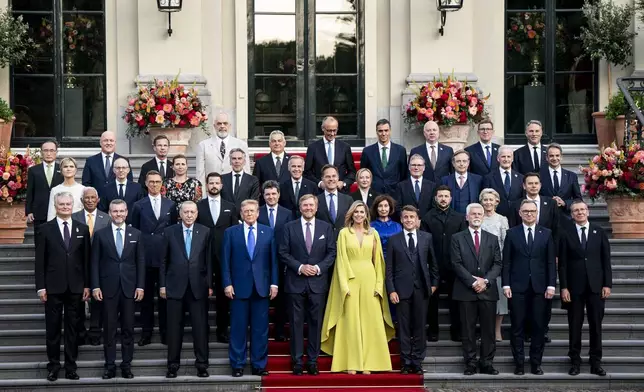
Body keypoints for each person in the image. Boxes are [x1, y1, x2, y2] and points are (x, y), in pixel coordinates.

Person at [321, 201, 395, 374]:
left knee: (370, 321)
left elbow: (378, 262)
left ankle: (369, 363)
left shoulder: (373, 233)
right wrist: (344, 284)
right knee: (351, 322)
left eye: (362, 212)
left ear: (366, 214)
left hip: (370, 278)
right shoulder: (344, 233)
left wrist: (378, 284)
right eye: (356, 212)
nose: (359, 215)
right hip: (350, 279)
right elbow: (341, 260)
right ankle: (352, 362)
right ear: (351, 214)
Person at [35, 192, 91, 382]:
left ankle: (70, 367)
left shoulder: (82, 229)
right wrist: (41, 287)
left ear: (73, 205)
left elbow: (86, 261)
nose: (65, 207)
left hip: (75, 287)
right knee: (52, 329)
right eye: (62, 204)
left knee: (73, 329)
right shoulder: (44, 229)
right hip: (52, 288)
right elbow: (39, 261)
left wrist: (87, 285)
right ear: (56, 205)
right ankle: (53, 367)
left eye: (68, 204)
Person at [280, 194, 337, 375]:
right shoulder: (289, 227)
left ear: (317, 207)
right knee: (296, 324)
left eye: (311, 205)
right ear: (300, 207)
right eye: (305, 205)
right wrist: (300, 267)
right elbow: (283, 252)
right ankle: (297, 361)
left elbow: (331, 253)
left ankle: (312, 361)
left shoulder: (326, 228)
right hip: (295, 282)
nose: (308, 208)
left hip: (318, 283)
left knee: (316, 323)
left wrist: (318, 268)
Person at [222, 200, 278, 378]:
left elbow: (273, 261)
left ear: (258, 213)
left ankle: (258, 364)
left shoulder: (268, 232)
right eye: (246, 211)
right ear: (241, 213)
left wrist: (274, 283)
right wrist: (227, 283)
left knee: (260, 330)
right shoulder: (231, 233)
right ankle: (237, 364)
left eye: (252, 211)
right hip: (238, 288)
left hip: (261, 288)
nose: (249, 214)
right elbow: (225, 261)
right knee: (238, 328)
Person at [91, 199, 146, 379]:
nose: (119, 214)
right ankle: (109, 365)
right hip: (108, 288)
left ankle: (126, 365)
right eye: (115, 211)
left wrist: (140, 286)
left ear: (127, 212)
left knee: (128, 328)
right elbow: (94, 263)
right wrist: (96, 286)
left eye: (122, 211)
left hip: (130, 288)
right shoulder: (100, 234)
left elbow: (140, 262)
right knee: (109, 328)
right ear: (109, 212)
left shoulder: (136, 234)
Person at [502, 199, 556, 376]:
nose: (529, 214)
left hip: (540, 288)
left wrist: (551, 285)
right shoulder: (512, 233)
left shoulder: (546, 233)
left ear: (537, 213)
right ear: (520, 213)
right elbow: (507, 261)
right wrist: (506, 284)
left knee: (538, 327)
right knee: (517, 327)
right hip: (517, 286)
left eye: (532, 211)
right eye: (526, 211)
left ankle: (535, 363)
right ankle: (519, 364)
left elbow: (550, 261)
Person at [559, 199, 612, 377]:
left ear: (588, 211)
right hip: (574, 288)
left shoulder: (599, 232)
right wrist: (564, 287)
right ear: (572, 214)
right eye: (576, 211)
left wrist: (607, 284)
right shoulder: (565, 233)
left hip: (596, 286)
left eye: (582, 209)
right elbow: (563, 264)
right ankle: (575, 361)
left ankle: (595, 362)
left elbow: (606, 260)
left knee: (596, 325)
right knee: (575, 325)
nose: (580, 212)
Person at [160, 201, 212, 378]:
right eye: (186, 212)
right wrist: (162, 285)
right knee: (174, 329)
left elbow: (208, 260)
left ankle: (202, 365)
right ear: (180, 214)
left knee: (200, 328)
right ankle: (173, 366)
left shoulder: (205, 231)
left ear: (197, 214)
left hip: (198, 287)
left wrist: (209, 284)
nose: (189, 215)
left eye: (192, 212)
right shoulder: (169, 232)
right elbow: (163, 261)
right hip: (174, 286)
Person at [386, 205, 439, 375]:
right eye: (406, 217)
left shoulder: (427, 238)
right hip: (401, 290)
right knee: (403, 327)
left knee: (419, 326)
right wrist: (391, 290)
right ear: (401, 220)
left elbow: (434, 264)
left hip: (422, 289)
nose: (409, 220)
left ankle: (417, 360)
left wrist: (433, 284)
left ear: (418, 220)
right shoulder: (394, 239)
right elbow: (389, 268)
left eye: (412, 217)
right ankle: (405, 361)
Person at [450, 203, 502, 376]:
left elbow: (497, 264)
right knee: (468, 330)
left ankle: (487, 363)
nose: (477, 216)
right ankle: (470, 363)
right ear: (467, 217)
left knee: (488, 330)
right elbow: (456, 264)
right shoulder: (457, 238)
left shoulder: (492, 238)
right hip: (466, 291)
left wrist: (485, 281)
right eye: (473, 214)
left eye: (479, 213)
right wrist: (473, 282)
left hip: (487, 291)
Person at [509, 172, 559, 344]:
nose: (533, 186)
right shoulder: (516, 205)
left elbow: (556, 228)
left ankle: (541, 332)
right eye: (529, 183)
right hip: (522, 257)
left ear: (540, 184)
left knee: (542, 308)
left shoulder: (550, 203)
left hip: (543, 255)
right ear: (524, 186)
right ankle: (526, 333)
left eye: (536, 183)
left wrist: (555, 253)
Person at [130, 171, 178, 346]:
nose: (155, 185)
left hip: (165, 257)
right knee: (146, 299)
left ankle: (166, 333)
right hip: (146, 257)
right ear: (146, 183)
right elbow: (134, 232)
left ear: (162, 183)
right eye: (151, 182)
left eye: (158, 182)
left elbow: (173, 230)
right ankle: (146, 333)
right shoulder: (138, 205)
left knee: (166, 299)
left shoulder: (171, 205)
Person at [421, 185, 467, 342]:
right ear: (435, 198)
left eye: (446, 196)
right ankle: (433, 331)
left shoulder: (459, 217)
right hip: (434, 264)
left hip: (454, 265)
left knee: (455, 300)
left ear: (451, 198)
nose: (443, 199)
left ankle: (457, 331)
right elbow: (424, 242)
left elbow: (463, 241)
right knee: (432, 300)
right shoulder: (427, 217)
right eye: (440, 196)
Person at [196, 172, 238, 343]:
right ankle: (202, 330)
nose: (214, 185)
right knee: (201, 295)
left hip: (224, 257)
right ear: (206, 186)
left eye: (217, 183)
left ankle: (222, 331)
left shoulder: (231, 206)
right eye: (211, 182)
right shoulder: (199, 205)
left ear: (221, 185)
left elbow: (235, 232)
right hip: (202, 257)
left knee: (223, 297)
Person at [71, 187, 110, 347]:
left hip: (100, 267)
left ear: (98, 199)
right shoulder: (74, 217)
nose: (90, 200)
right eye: (86, 198)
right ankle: (80, 332)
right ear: (81, 200)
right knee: (78, 300)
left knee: (97, 301)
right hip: (78, 266)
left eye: (93, 197)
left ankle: (95, 331)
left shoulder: (107, 218)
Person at [258, 180, 295, 341]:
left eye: (274, 194)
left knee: (281, 299)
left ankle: (279, 331)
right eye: (268, 194)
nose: (271, 197)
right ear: (263, 196)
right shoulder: (257, 212)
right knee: (262, 298)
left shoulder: (288, 213)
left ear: (279, 195)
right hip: (261, 261)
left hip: (281, 262)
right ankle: (262, 331)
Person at [479, 188, 509, 342]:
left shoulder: (502, 219)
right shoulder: (477, 217)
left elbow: (506, 241)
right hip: (480, 265)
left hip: (498, 264)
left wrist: (502, 262)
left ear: (497, 202)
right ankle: (485, 330)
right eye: (485, 200)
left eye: (491, 200)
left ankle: (497, 331)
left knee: (500, 301)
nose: (488, 202)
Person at [304, 116, 356, 192]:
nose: (332, 133)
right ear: (322, 128)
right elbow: (307, 172)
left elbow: (352, 172)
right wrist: (319, 183)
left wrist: (344, 183)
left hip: (340, 192)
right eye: (329, 130)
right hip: (320, 193)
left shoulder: (345, 147)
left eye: (334, 130)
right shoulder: (313, 148)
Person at [196, 112, 250, 184]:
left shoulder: (241, 145)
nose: (222, 126)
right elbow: (200, 174)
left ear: (229, 126)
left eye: (225, 123)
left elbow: (246, 172)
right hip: (212, 190)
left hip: (234, 190)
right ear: (214, 126)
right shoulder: (203, 145)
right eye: (219, 123)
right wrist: (203, 194)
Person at [26, 139, 63, 244]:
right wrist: (29, 211)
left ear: (56, 152)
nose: (49, 153)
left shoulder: (62, 169)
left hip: (58, 212)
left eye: (52, 150)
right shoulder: (33, 170)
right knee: (40, 243)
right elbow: (30, 192)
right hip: (39, 212)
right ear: (41, 152)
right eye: (45, 150)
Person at [360, 119, 408, 195]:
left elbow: (404, 174)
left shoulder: (400, 150)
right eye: (380, 131)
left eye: (386, 130)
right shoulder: (367, 151)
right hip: (374, 193)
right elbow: (363, 173)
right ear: (376, 132)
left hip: (394, 193)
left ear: (390, 131)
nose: (383, 133)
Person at [82, 130, 133, 198]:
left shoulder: (124, 160)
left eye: (111, 140)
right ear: (100, 143)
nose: (108, 143)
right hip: (97, 202)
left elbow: (129, 182)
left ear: (115, 143)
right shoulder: (90, 161)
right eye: (105, 140)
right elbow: (86, 183)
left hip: (117, 202)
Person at [482, 145, 524, 218]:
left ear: (512, 158)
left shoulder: (521, 178)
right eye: (503, 156)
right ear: (498, 158)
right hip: (496, 217)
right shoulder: (488, 178)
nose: (506, 159)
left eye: (508, 156)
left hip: (517, 217)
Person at [539, 143, 582, 214]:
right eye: (551, 156)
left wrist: (564, 203)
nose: (555, 158)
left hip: (566, 217)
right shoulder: (539, 176)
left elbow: (578, 199)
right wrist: (549, 201)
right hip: (546, 217)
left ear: (561, 157)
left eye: (557, 155)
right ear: (546, 158)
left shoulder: (571, 176)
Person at [440, 150, 483, 215]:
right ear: (453, 163)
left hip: (471, 219)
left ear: (468, 163)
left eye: (464, 161)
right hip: (451, 219)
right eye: (458, 161)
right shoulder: (445, 180)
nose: (461, 164)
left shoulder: (478, 180)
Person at [394, 154, 437, 218]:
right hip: (408, 223)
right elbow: (398, 208)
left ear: (424, 167)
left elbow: (434, 207)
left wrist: (423, 221)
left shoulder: (432, 186)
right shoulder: (400, 186)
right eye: (413, 165)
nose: (416, 168)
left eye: (419, 165)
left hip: (427, 224)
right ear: (409, 167)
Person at [315, 165, 353, 234]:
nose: (331, 179)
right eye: (327, 176)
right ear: (322, 179)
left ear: (338, 178)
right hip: (323, 241)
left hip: (343, 241)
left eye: (334, 176)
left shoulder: (348, 200)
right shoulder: (316, 200)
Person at [370, 195, 402, 260]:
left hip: (394, 260)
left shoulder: (397, 226)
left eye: (386, 206)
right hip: (376, 260)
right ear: (376, 208)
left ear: (390, 207)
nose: (383, 209)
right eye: (380, 206)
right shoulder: (370, 226)